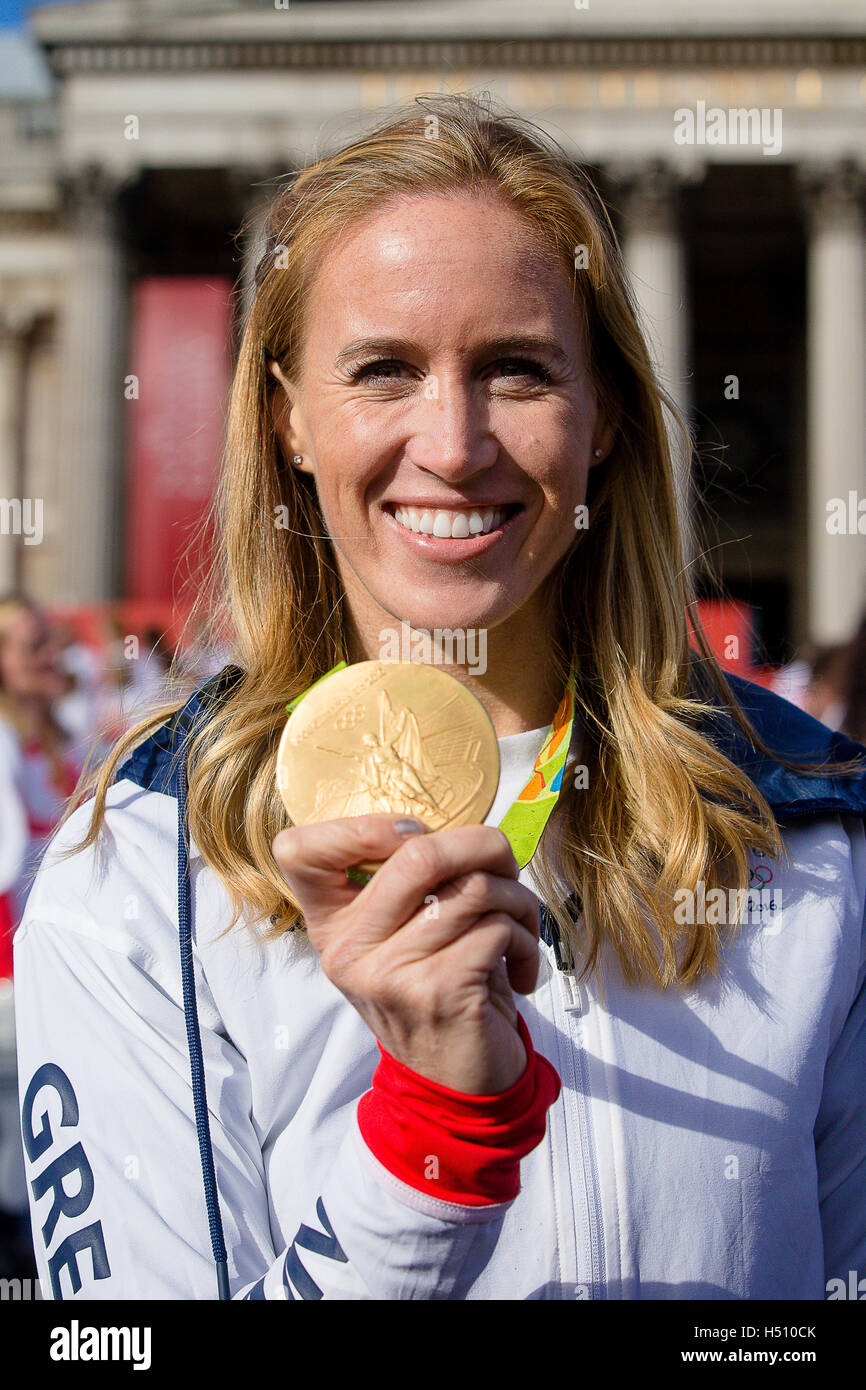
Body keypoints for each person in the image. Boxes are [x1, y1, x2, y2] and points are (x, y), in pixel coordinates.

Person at [13, 94, 866, 1302]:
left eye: (517, 370)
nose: (453, 443)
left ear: (607, 416)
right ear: (286, 417)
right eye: (383, 372)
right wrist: (430, 1143)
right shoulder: (138, 870)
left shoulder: (820, 826)